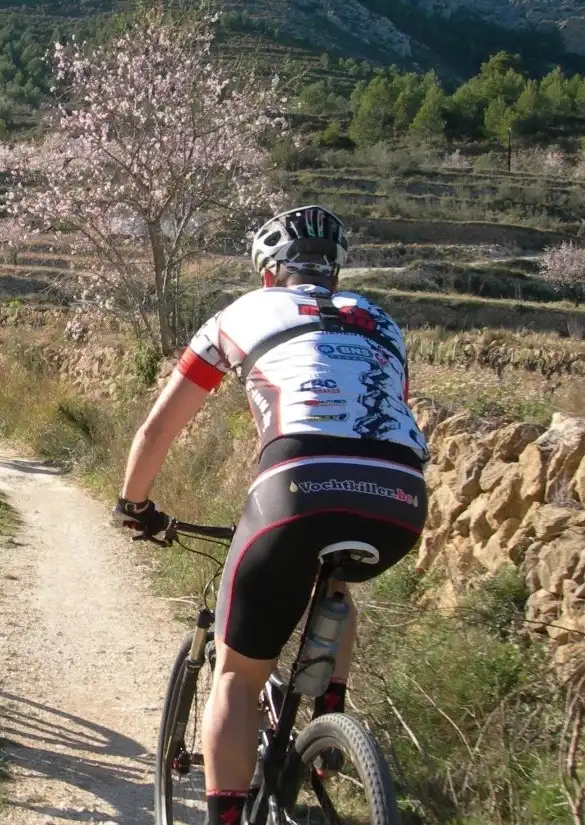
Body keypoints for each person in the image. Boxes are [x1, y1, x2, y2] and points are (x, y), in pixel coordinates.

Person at [111, 205, 429, 825]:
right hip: (400, 497)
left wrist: (134, 505)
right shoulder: (383, 321)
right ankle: (328, 710)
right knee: (335, 569)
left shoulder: (238, 315)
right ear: (333, 271)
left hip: (296, 486)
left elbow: (158, 429)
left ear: (266, 274)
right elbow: (379, 415)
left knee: (236, 677)